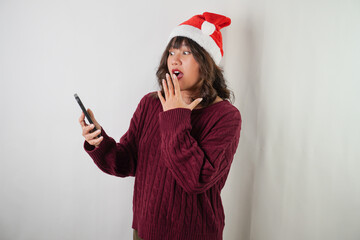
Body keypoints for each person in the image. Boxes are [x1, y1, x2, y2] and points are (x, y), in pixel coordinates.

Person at [78, 12, 242, 240]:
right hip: (145, 231)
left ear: (207, 63)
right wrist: (100, 142)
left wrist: (175, 115)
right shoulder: (150, 103)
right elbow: (127, 162)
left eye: (186, 52)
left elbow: (196, 180)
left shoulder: (226, 116)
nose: (174, 59)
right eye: (171, 52)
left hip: (194, 234)